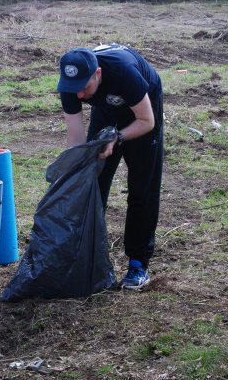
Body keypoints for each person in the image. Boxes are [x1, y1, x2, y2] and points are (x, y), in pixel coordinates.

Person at [57, 44, 164, 289]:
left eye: (84, 87)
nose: (80, 95)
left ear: (98, 73)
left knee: (142, 187)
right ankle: (88, 256)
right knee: (93, 182)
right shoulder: (71, 86)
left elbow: (147, 121)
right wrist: (79, 168)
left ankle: (138, 262)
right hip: (106, 110)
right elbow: (76, 140)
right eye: (74, 89)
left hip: (144, 108)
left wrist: (119, 138)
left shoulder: (123, 72)